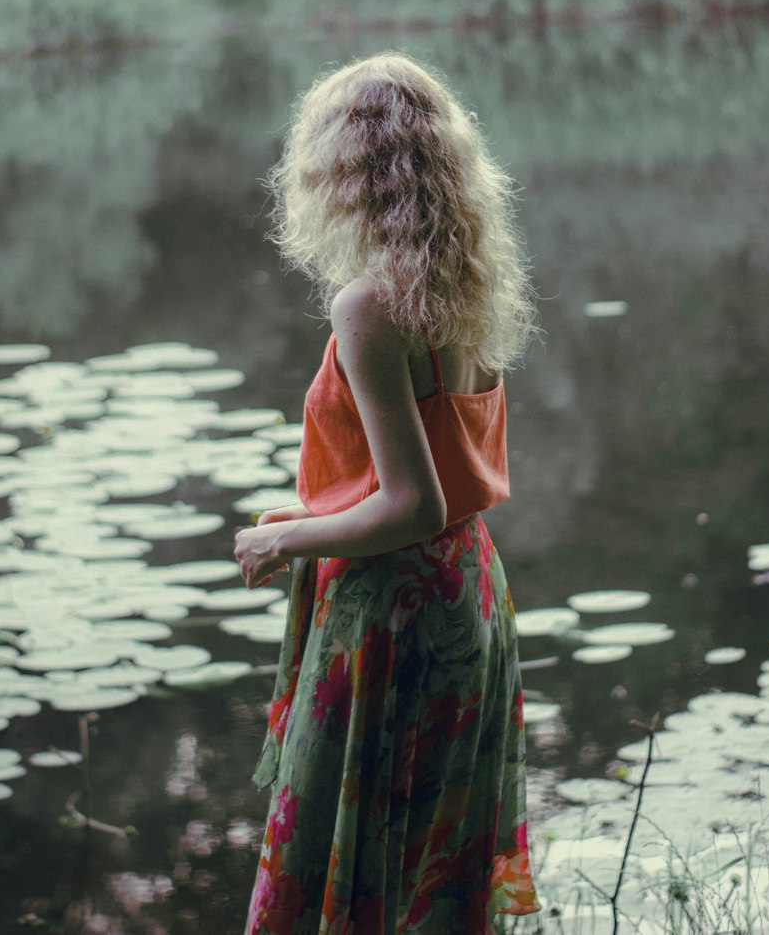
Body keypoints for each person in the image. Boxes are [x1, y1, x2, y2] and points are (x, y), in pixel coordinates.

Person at [234, 51, 541, 934]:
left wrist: (282, 541)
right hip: (469, 593)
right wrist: (320, 512)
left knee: (368, 853)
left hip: (396, 615)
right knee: (430, 862)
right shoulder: (465, 283)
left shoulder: (370, 307)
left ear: (342, 170)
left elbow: (413, 505)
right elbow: (432, 481)